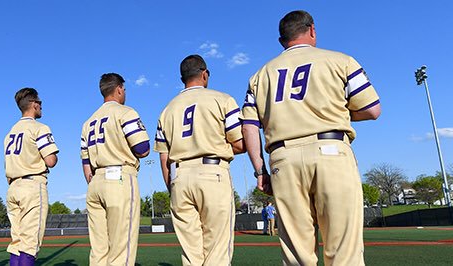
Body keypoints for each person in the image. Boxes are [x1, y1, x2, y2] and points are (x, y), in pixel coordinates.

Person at [241, 10, 381, 265]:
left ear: (282, 40)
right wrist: (337, 111)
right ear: (312, 30)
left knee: (297, 255)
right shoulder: (341, 60)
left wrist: (260, 171)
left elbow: (249, 126)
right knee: (343, 252)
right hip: (331, 149)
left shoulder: (260, 75)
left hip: (282, 158)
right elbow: (372, 109)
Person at [154, 55, 244, 265]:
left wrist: (172, 186)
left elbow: (163, 156)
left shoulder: (167, 110)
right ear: (205, 74)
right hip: (212, 172)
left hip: (179, 176)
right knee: (217, 251)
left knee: (191, 254)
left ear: (182, 78)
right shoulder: (222, 99)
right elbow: (239, 143)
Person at [80, 73, 150, 265]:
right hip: (119, 178)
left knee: (99, 252)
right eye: (124, 89)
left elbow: (86, 165)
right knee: (121, 251)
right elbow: (143, 149)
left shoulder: (88, 122)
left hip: (95, 183)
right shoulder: (125, 112)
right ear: (119, 88)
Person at [4, 88, 59, 266]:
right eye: (40, 102)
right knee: (29, 244)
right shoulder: (39, 127)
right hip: (32, 185)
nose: (41, 106)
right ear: (34, 104)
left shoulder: (10, 133)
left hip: (13, 187)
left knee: (16, 243)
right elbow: (50, 160)